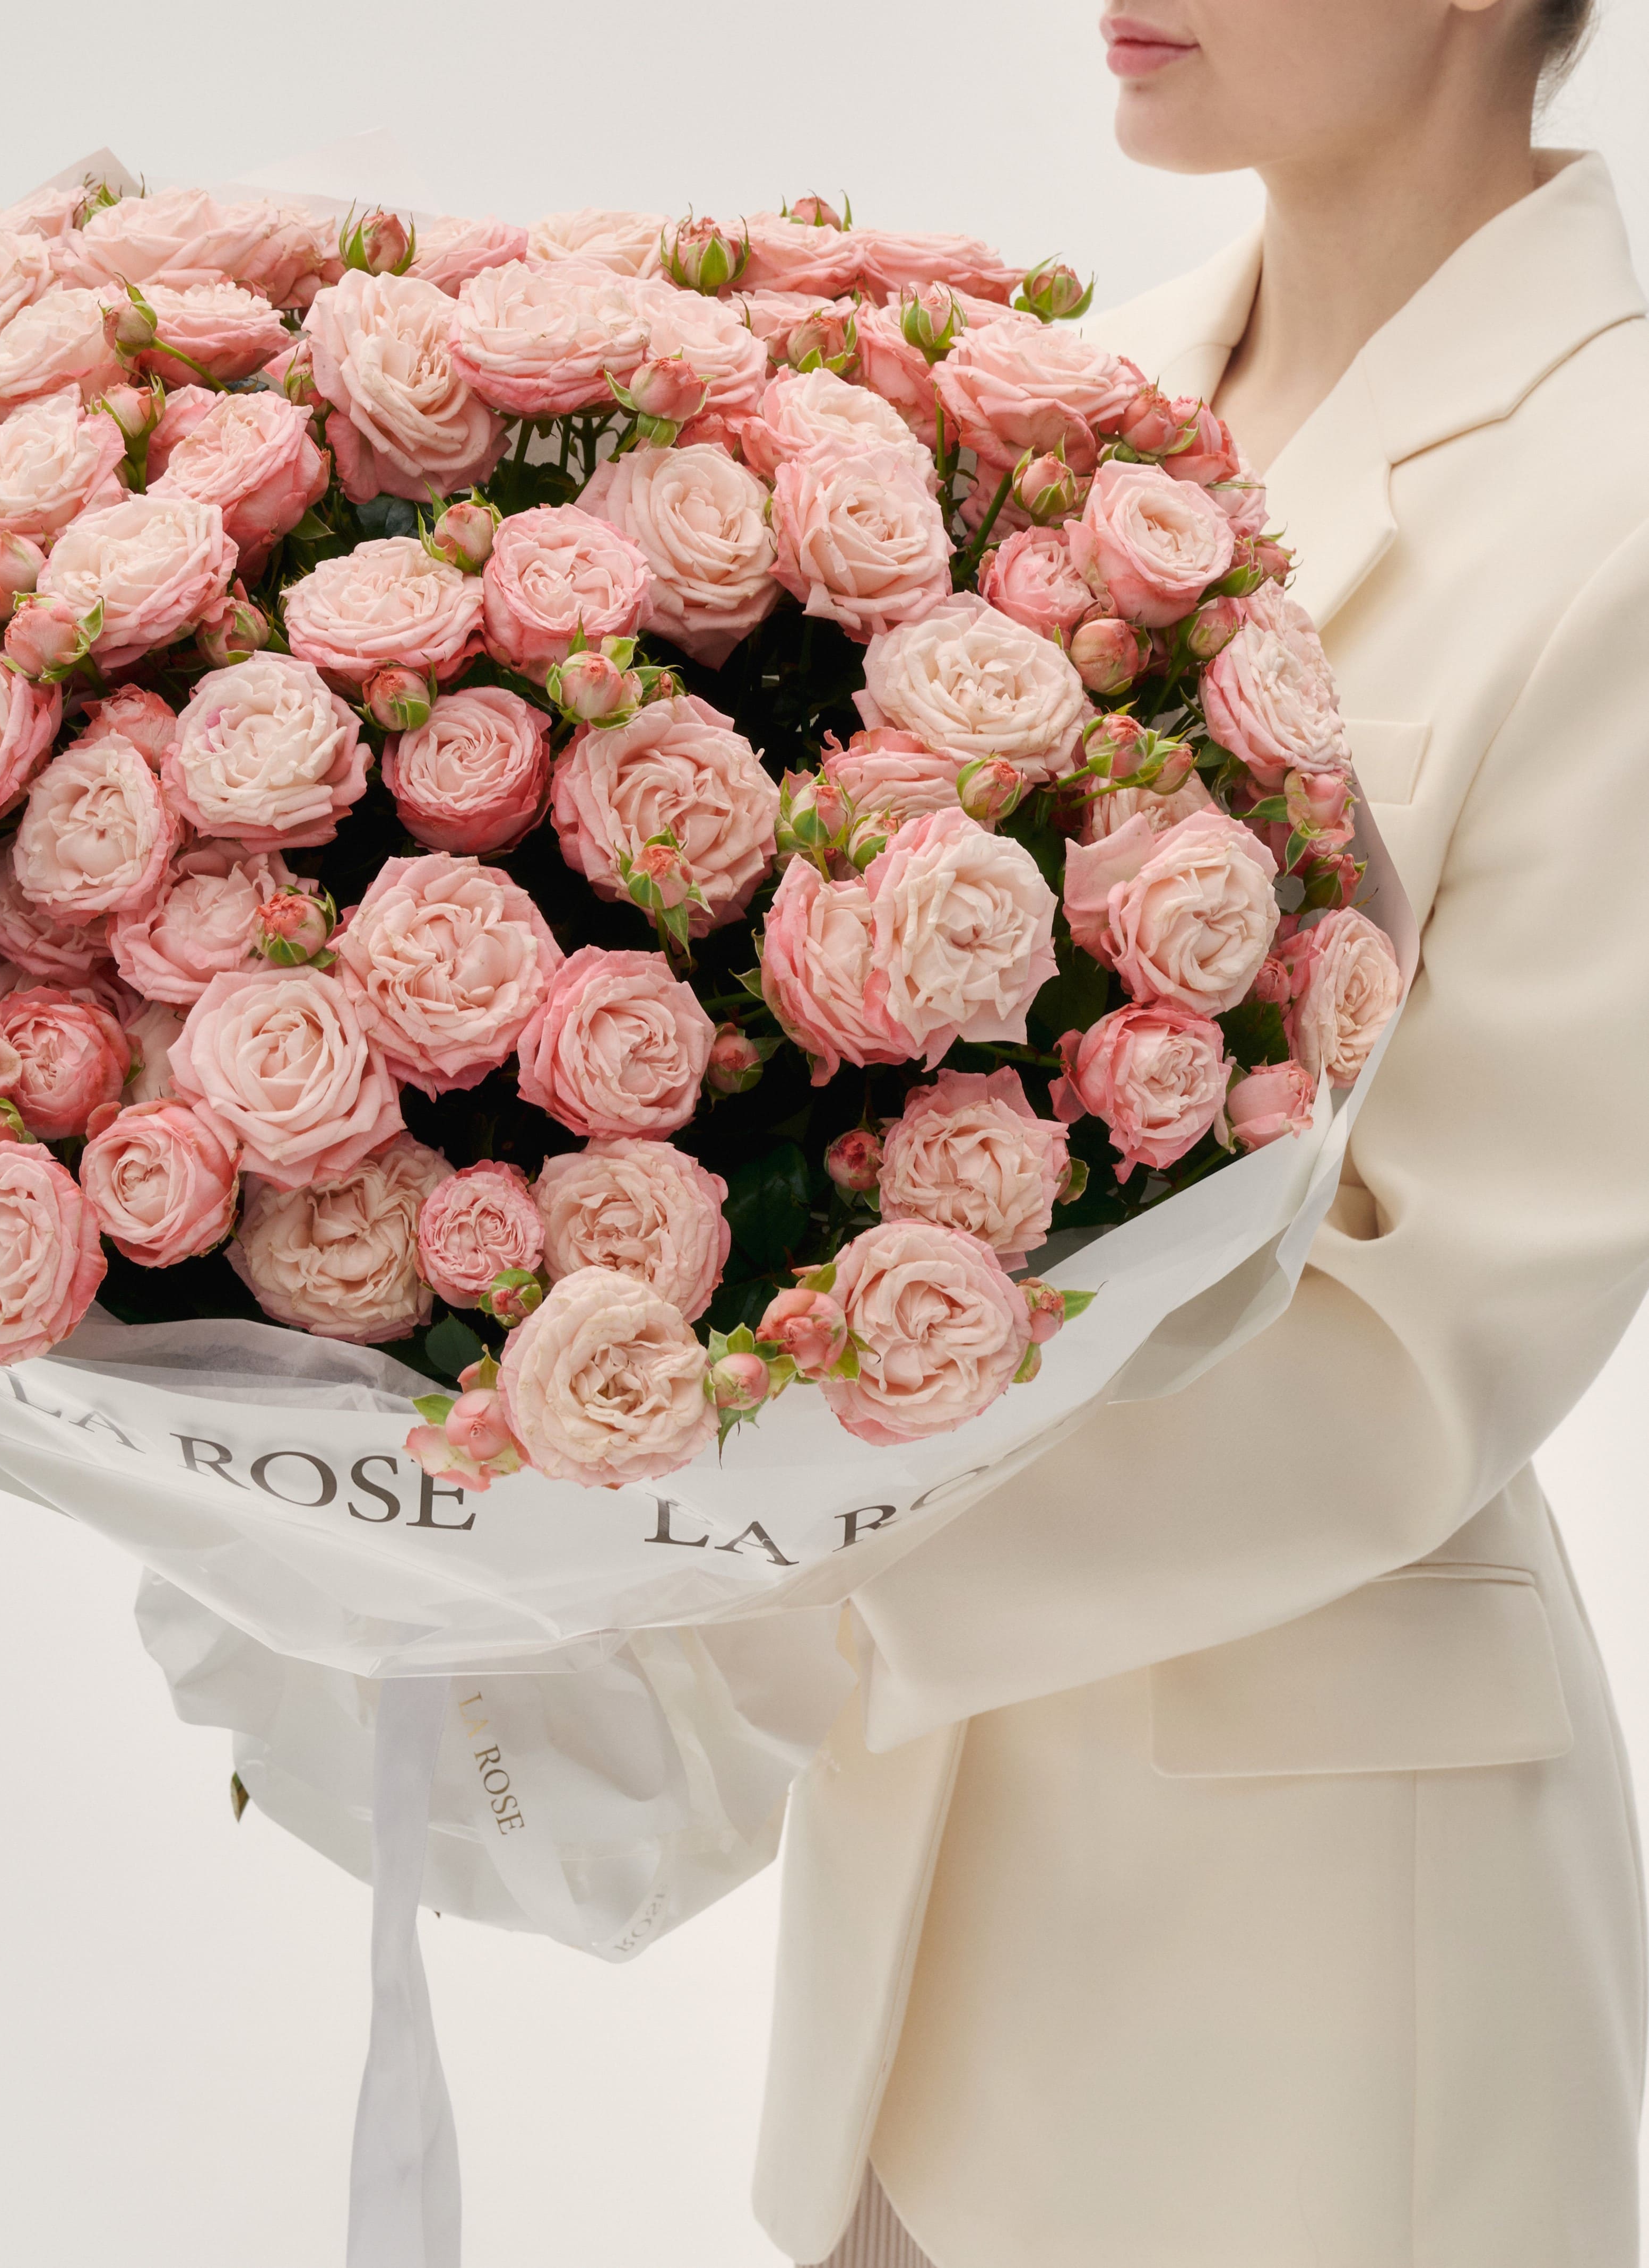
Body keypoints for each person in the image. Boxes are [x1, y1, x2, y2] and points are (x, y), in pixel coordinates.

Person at [759, 5, 1649, 2264]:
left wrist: (756, 1573)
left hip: (1317, 1969)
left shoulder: (1623, 492)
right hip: (907, 1932)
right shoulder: (1077, 393)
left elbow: (1425, 1325)